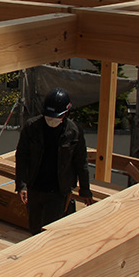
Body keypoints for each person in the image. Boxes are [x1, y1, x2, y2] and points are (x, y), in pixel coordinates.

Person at [15, 87, 93, 236]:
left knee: (50, 232)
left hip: (58, 191)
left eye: (55, 116)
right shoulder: (32, 127)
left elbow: (81, 162)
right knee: (34, 229)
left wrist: (85, 189)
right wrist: (21, 185)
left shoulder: (74, 132)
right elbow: (22, 157)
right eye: (48, 116)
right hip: (35, 188)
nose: (51, 120)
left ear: (65, 113)